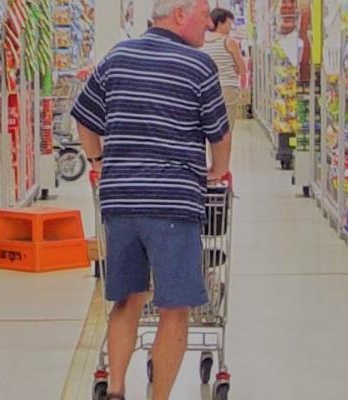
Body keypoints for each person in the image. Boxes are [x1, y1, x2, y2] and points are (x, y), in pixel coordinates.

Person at [70, 0, 233, 399]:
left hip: (121, 201)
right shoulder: (198, 67)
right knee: (175, 308)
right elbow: (220, 135)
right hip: (173, 204)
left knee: (126, 299)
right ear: (179, 15)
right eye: (202, 14)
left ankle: (117, 390)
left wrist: (97, 161)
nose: (208, 24)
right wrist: (216, 171)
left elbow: (84, 115)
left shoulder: (118, 56)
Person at [201, 8, 246, 126]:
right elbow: (242, 69)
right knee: (226, 128)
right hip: (227, 89)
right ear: (220, 23)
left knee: (212, 128)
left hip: (208, 90)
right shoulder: (229, 41)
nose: (230, 27)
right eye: (229, 24)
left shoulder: (202, 41)